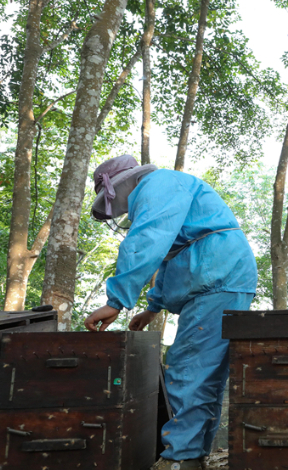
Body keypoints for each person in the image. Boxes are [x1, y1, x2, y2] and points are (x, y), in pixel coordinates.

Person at [84, 155, 258, 470]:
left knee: (188, 367)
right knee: (205, 372)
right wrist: (152, 307)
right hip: (219, 277)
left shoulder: (158, 183)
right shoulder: (165, 187)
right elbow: (170, 254)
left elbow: (147, 240)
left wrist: (116, 300)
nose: (119, 211)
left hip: (216, 278)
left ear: (121, 185)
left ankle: (181, 457)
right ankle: (191, 455)